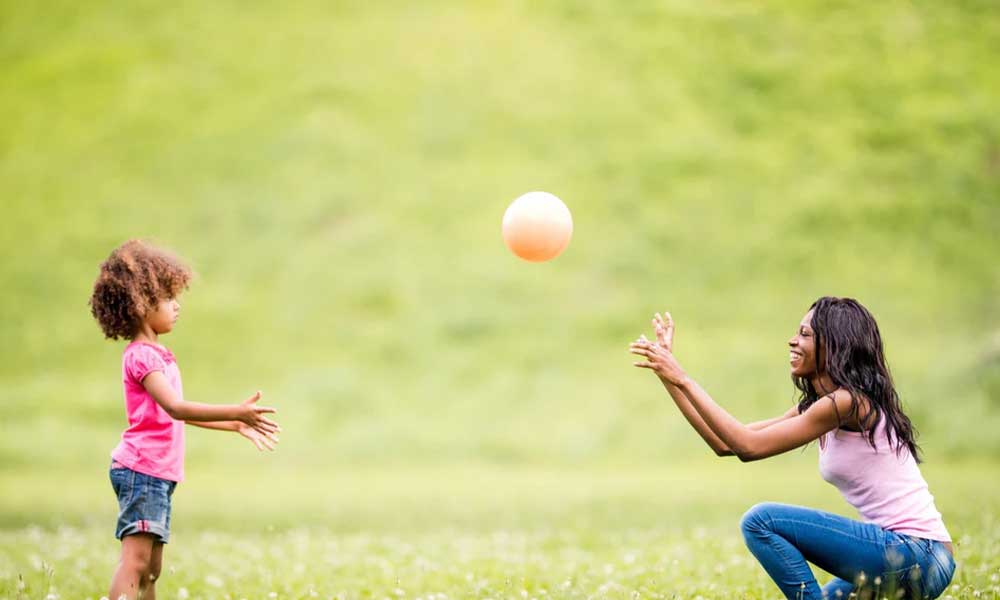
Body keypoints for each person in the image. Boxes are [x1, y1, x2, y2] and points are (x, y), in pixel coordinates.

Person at [629, 297, 955, 599]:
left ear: (834, 344)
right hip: (910, 559)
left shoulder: (847, 403)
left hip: (917, 554)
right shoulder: (820, 408)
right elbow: (726, 444)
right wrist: (667, 373)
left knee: (761, 521)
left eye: (805, 335)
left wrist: (684, 378)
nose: (792, 341)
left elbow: (748, 447)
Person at [89, 239, 282, 600]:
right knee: (136, 562)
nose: (176, 306)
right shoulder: (143, 358)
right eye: (167, 298)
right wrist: (233, 410)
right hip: (142, 471)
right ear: (141, 304)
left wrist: (234, 424)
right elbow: (177, 407)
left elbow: (170, 415)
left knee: (152, 568)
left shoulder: (157, 354)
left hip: (156, 474)